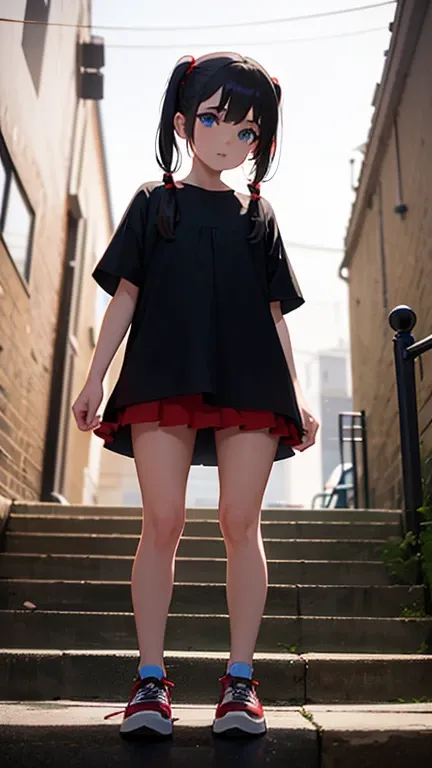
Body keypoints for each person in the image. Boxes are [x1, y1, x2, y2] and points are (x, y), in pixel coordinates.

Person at [72, 51, 319, 741]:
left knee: (241, 521)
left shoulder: (257, 214)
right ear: (183, 123)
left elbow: (275, 316)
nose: (225, 139)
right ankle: (150, 680)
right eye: (212, 119)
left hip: (252, 379)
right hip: (161, 373)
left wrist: (297, 396)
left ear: (260, 142)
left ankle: (241, 682)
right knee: (165, 521)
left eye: (245, 130)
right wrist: (95, 377)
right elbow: (126, 296)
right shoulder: (156, 204)